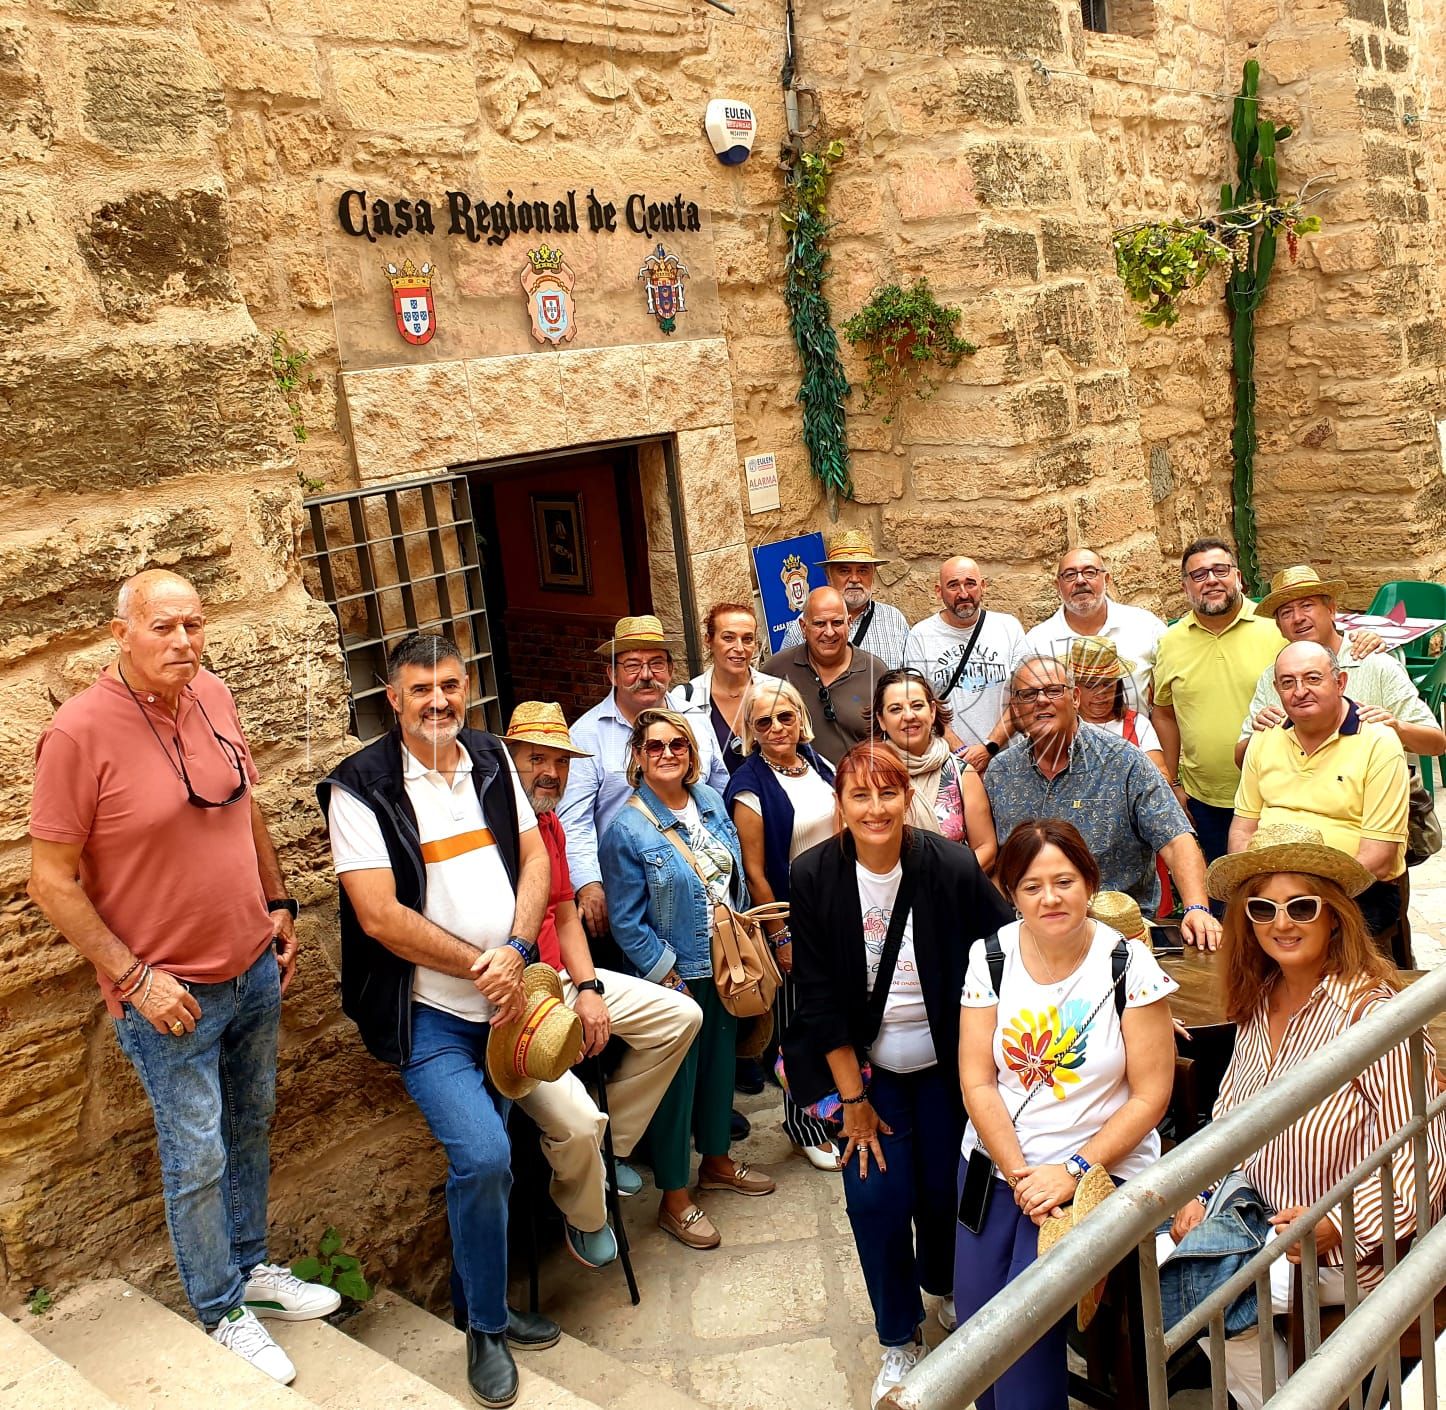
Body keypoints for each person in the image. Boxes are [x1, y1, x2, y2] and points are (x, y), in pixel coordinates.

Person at [26, 570, 336, 1385]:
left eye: (194, 626)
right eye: (163, 627)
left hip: (252, 967)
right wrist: (134, 979)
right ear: (120, 633)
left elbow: (245, 807)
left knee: (252, 1122)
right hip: (168, 997)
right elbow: (49, 881)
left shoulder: (214, 694)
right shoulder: (78, 733)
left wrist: (278, 901)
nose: (182, 642)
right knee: (195, 1153)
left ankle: (252, 1267)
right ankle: (220, 1306)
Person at [318, 633, 559, 1409]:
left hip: (509, 1002)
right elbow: (380, 917)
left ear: (468, 688)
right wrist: (478, 965)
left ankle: (480, 1303)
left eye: (450, 686)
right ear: (391, 698)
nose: (437, 703)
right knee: (485, 1157)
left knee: (496, 1161)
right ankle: (485, 1329)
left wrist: (517, 949)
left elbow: (535, 861)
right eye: (420, 689)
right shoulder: (361, 788)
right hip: (432, 1016)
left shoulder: (490, 757)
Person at [1160, 823, 1446, 1410]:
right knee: (1164, 1266)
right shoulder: (1260, 1000)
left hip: (1349, 1248)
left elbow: (1422, 1153)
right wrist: (1198, 1188)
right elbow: (1227, 1120)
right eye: (1263, 908)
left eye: (1301, 906)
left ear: (1334, 914)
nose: (1281, 922)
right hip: (1251, 1220)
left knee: (1195, 1290)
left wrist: (1335, 1223)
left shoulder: (1373, 1015)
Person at [788, 743, 1013, 1406]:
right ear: (842, 805)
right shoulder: (814, 876)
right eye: (861, 795)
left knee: (947, 1193)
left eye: (888, 793)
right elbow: (820, 999)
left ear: (905, 797)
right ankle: (897, 1337)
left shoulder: (947, 864)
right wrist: (851, 1101)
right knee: (876, 1201)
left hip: (948, 1068)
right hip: (869, 1070)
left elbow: (1009, 945)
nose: (877, 807)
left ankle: (942, 1287)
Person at [957, 819, 1177, 1410]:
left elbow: (1150, 1095)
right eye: (1031, 886)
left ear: (1089, 882)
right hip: (999, 1165)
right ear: (1011, 892)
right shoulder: (991, 957)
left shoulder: (1128, 965)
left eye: (1064, 881)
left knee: (1024, 1337)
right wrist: (1021, 1174)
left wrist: (1072, 1169)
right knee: (976, 1334)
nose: (1049, 898)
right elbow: (978, 1080)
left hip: (1094, 1172)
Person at [501, 701, 702, 1271]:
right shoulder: (494, 830)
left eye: (560, 762)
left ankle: (610, 1150)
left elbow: (564, 915)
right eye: (536, 758)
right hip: (515, 999)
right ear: (509, 760)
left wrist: (588, 987)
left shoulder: (550, 823)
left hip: (561, 979)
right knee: (577, 1121)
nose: (550, 772)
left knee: (680, 1017)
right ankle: (584, 1212)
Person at [600, 708, 776, 1251]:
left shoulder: (709, 803)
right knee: (676, 1089)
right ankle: (675, 1199)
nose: (668, 754)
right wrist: (668, 977)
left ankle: (718, 1163)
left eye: (678, 744)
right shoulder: (625, 829)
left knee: (721, 1070)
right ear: (638, 756)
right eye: (654, 747)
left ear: (692, 753)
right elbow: (627, 922)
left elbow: (732, 876)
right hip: (674, 973)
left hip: (723, 960)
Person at [985, 656, 1223, 948]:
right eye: (1028, 694)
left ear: (1074, 698)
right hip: (1030, 933)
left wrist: (1197, 908)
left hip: (1118, 935)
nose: (1041, 701)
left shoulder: (1123, 761)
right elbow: (995, 861)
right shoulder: (1001, 772)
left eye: (1053, 690)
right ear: (1016, 707)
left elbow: (1175, 838)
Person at [724, 677, 841, 1172]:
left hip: (836, 912)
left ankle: (839, 1112)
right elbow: (755, 872)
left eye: (785, 717)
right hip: (792, 922)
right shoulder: (748, 788)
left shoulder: (820, 765)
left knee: (839, 1017)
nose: (776, 728)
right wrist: (781, 937)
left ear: (801, 719)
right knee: (799, 1029)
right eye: (763, 721)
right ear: (751, 730)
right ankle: (803, 1126)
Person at [558, 614, 729, 945]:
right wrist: (589, 885)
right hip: (630, 898)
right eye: (633, 665)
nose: (646, 675)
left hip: (705, 890)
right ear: (612, 674)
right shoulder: (586, 735)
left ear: (670, 670)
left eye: (656, 663)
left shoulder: (694, 718)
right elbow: (574, 823)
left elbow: (719, 789)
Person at [1231, 641, 1410, 945]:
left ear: (1340, 682)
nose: (1300, 691)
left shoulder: (1379, 743)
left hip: (1355, 889)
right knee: (1233, 939)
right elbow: (1242, 830)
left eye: (1313, 678)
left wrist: (1306, 899)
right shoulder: (1263, 738)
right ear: (1277, 690)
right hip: (1273, 885)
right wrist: (1259, 888)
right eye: (1288, 683)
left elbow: (1378, 858)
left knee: (1302, 939)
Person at [1150, 538, 1286, 865]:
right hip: (1206, 798)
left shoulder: (1275, 627)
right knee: (1224, 896)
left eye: (1220, 570)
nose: (1211, 580)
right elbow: (1165, 713)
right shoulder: (1171, 642)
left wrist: (1365, 641)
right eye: (1198, 575)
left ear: (1238, 577)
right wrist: (1174, 784)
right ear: (1185, 587)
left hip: (1278, 790)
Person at [1234, 564, 1446, 768]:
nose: (1298, 618)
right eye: (1286, 613)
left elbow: (1436, 743)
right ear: (1280, 627)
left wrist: (1397, 728)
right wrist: (1258, 737)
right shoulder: (1274, 677)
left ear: (1331, 610)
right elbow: (1242, 760)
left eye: (1307, 605)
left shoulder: (1375, 664)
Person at [902, 556, 1026, 773]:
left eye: (970, 583)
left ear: (983, 586)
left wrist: (990, 747)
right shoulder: (920, 636)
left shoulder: (1009, 628)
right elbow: (919, 703)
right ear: (938, 591)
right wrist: (962, 754)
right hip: (948, 765)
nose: (963, 594)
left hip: (1007, 762)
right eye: (953, 585)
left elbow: (1023, 697)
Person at [871, 667, 999, 872]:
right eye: (895, 709)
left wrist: (945, 883)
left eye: (917, 705)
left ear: (932, 711)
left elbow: (987, 848)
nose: (908, 715)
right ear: (881, 720)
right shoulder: (870, 775)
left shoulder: (961, 773)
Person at [1023, 547, 1167, 715]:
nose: (1080, 581)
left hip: (1137, 739)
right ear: (1058, 585)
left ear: (1107, 579)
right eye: (1070, 575)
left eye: (1090, 572)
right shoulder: (1037, 642)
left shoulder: (1145, 626)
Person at [764, 586, 888, 769]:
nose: (829, 632)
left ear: (849, 623)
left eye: (837, 623)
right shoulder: (777, 671)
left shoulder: (875, 672)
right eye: (820, 624)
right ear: (803, 627)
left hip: (862, 787)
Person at [778, 528, 910, 665]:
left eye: (862, 571)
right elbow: (784, 679)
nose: (854, 579)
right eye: (844, 571)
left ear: (873, 575)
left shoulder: (894, 620)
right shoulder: (805, 626)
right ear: (828, 576)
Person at [670, 602, 768, 776]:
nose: (739, 648)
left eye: (747, 639)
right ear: (709, 640)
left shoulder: (775, 691)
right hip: (714, 801)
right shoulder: (685, 699)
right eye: (728, 638)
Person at [1068, 637, 1167, 774]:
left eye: (1108, 685)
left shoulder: (1137, 724)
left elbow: (1162, 775)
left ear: (1118, 685)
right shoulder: (1062, 726)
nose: (1101, 694)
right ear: (1074, 689)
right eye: (1091, 686)